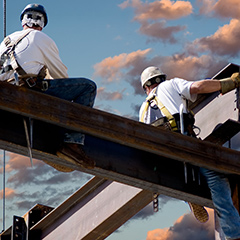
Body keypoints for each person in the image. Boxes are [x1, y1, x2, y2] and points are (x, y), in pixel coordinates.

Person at [139, 66, 240, 240]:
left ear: (146, 87)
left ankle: (189, 194)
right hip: (183, 144)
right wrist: (229, 83)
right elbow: (198, 87)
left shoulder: (143, 109)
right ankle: (233, 233)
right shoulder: (170, 85)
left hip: (161, 158)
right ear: (161, 79)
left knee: (185, 176)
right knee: (215, 177)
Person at [0, 4, 97, 171]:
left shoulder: (6, 41)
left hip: (6, 95)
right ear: (42, 23)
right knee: (87, 87)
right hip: (28, 92)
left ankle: (48, 137)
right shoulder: (41, 38)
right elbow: (60, 75)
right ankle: (72, 144)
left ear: (23, 21)